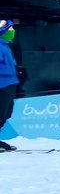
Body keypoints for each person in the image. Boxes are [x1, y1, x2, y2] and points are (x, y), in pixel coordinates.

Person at [0, 20, 20, 151]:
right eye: (10, 29)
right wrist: (13, 70)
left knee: (6, 113)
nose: (12, 32)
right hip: (2, 85)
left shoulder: (5, 45)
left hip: (9, 84)